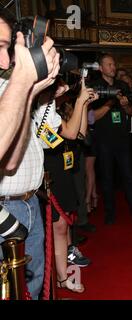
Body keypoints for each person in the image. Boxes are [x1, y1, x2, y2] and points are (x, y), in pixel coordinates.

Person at [0, 12, 60, 300]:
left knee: (31, 288)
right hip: (6, 208)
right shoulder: (7, 88)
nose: (5, 60)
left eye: (7, 47)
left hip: (30, 202)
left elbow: (9, 160)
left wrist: (31, 88)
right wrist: (23, 84)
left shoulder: (15, 90)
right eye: (0, 46)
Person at [40, 78, 97, 293]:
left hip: (62, 172)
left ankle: (63, 278)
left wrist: (83, 103)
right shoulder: (39, 111)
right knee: (52, 227)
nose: (64, 89)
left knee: (62, 226)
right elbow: (70, 134)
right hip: (48, 170)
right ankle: (53, 278)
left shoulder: (58, 111)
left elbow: (79, 134)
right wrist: (80, 100)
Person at [90, 54, 132, 227]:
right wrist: (110, 102)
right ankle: (110, 214)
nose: (113, 67)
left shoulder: (122, 85)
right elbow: (92, 117)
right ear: (101, 68)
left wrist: (125, 105)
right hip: (103, 141)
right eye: (109, 64)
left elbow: (131, 112)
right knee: (107, 179)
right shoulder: (94, 88)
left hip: (122, 139)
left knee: (129, 177)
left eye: (114, 64)